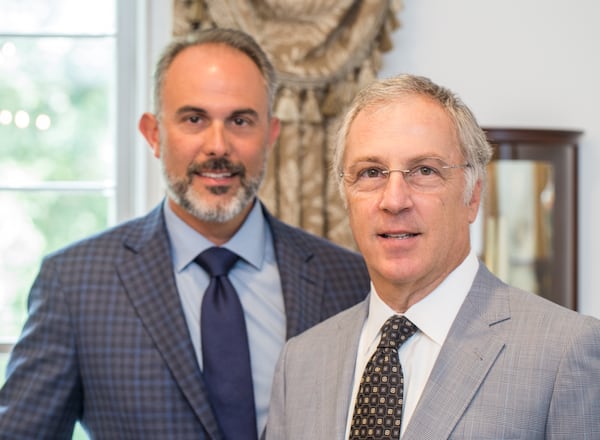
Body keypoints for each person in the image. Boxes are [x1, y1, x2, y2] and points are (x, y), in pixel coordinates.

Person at [0, 28, 370, 439]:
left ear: (270, 135)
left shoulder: (349, 280)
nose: (217, 145)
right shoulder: (74, 285)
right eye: (194, 119)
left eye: (240, 120)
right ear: (154, 134)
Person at [266, 74, 600, 439]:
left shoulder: (564, 352)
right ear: (346, 197)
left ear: (472, 196)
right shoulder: (300, 362)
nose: (394, 200)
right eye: (371, 172)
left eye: (425, 171)